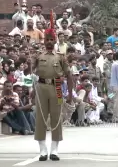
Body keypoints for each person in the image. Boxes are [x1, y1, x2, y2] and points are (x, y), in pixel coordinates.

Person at [33, 21, 73, 161]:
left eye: (51, 40)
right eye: (47, 40)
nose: (49, 42)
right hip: (41, 87)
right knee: (41, 118)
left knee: (57, 118)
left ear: (55, 41)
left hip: (56, 87)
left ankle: (54, 150)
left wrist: (70, 95)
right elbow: (30, 70)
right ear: (44, 41)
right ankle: (43, 150)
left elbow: (69, 75)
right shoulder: (38, 55)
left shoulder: (61, 56)